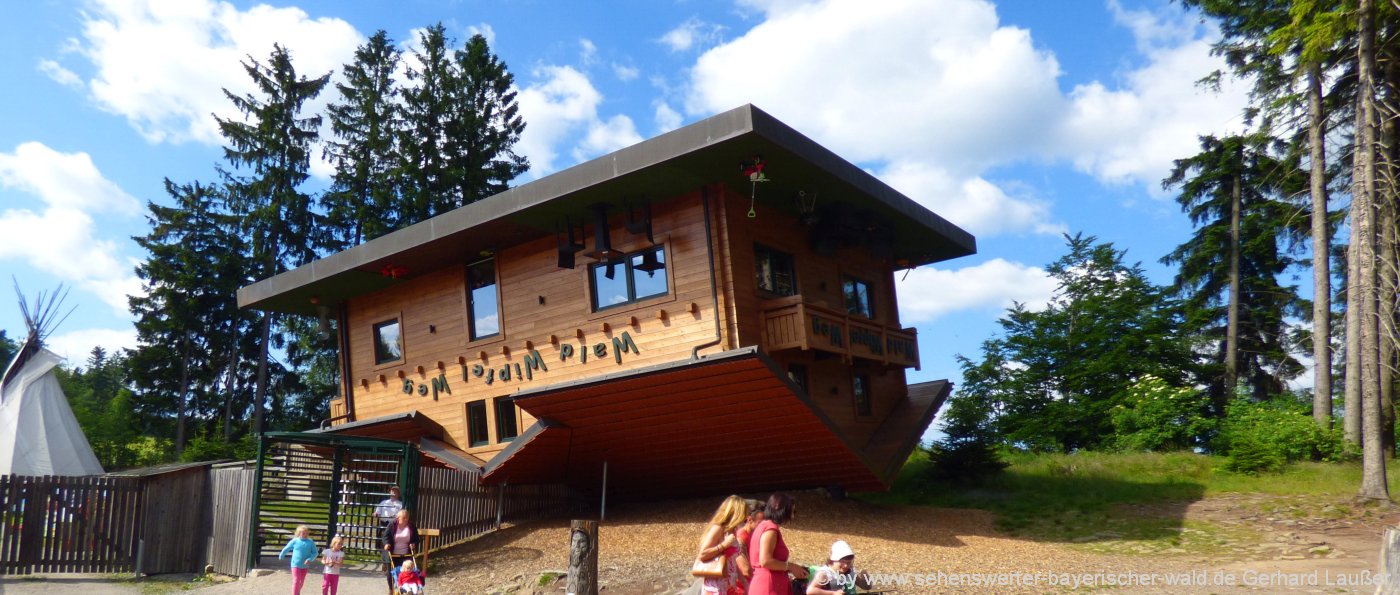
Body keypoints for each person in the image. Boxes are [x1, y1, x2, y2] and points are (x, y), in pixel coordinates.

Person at [746, 493, 806, 595]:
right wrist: (790, 566)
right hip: (769, 585)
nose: (792, 516)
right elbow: (765, 561)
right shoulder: (770, 528)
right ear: (780, 508)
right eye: (791, 511)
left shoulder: (763, 526)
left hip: (766, 582)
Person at [696, 495, 752, 595]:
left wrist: (744, 581)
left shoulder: (732, 530)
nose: (745, 517)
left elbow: (733, 560)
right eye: (743, 514)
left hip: (729, 586)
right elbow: (702, 554)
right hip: (716, 587)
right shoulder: (718, 528)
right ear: (736, 513)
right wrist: (724, 545)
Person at [805, 540, 871, 595]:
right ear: (833, 560)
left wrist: (864, 574)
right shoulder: (825, 573)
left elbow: (865, 586)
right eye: (842, 562)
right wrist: (833, 593)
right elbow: (810, 591)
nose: (846, 566)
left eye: (848, 563)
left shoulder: (850, 572)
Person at [382, 509, 421, 591]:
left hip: (406, 554)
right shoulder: (392, 525)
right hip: (392, 552)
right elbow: (385, 536)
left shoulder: (411, 526)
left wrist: (413, 544)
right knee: (390, 573)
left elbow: (416, 539)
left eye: (407, 517)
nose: (407, 519)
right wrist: (386, 544)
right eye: (404, 517)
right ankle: (391, 589)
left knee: (408, 572)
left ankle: (406, 589)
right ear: (398, 518)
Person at [734, 499, 766, 590]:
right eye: (760, 523)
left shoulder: (756, 536)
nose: (764, 526)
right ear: (749, 520)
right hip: (742, 588)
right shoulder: (740, 538)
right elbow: (745, 570)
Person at [278, 525, 318, 595]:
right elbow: (287, 548)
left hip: (305, 565)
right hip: (295, 564)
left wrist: (310, 559)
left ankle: (297, 592)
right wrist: (282, 554)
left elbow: (315, 552)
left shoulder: (310, 542)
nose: (305, 535)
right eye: (303, 533)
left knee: (301, 581)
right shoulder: (295, 541)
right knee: (296, 580)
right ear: (299, 533)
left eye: (306, 533)